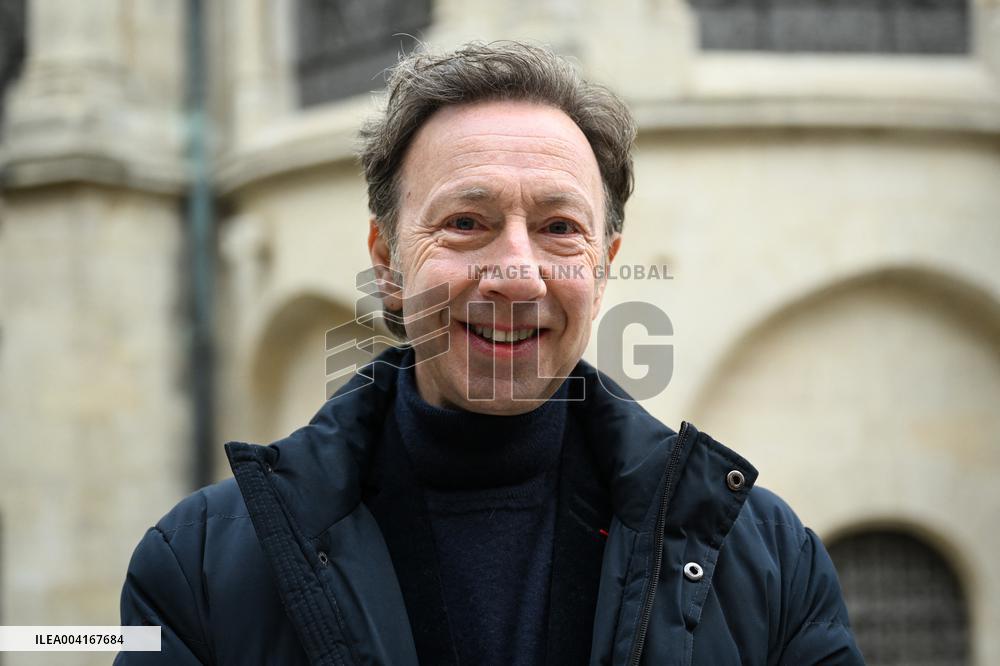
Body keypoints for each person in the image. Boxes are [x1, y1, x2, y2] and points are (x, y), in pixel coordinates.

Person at [116, 42, 864, 665]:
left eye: (559, 228)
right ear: (387, 262)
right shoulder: (200, 565)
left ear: (604, 266)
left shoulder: (768, 561)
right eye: (467, 222)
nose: (515, 273)